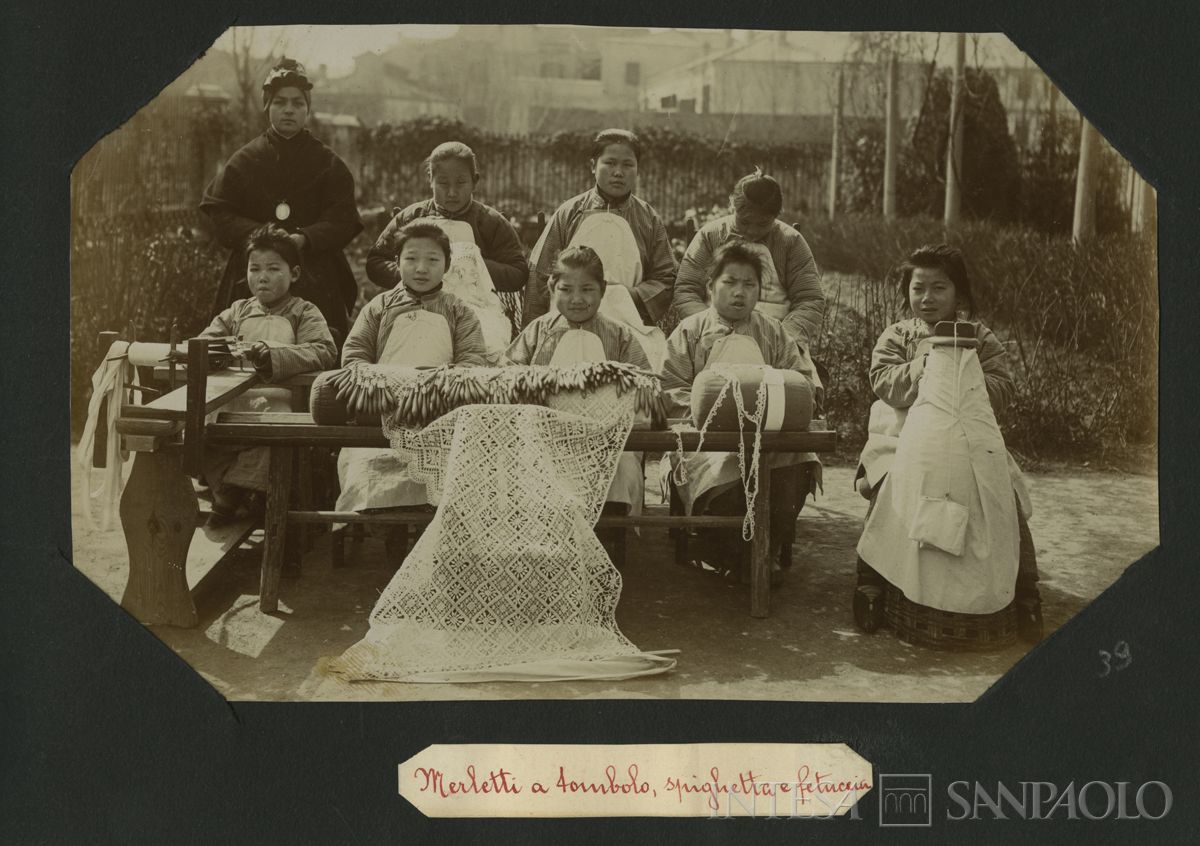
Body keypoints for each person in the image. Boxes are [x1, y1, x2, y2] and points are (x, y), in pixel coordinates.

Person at [853, 244, 1042, 643]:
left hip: (968, 437)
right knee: (887, 489)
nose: (927, 298)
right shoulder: (899, 337)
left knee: (1001, 495)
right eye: (918, 288)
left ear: (960, 294)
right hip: (903, 435)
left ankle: (1025, 591)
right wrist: (927, 364)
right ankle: (870, 581)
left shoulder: (979, 338)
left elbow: (1003, 387)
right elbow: (882, 380)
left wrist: (961, 373)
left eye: (939, 288)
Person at [661, 241, 818, 583]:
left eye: (749, 285)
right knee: (723, 470)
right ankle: (731, 551)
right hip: (707, 441)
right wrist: (711, 411)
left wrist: (777, 409)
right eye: (730, 282)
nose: (739, 293)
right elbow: (669, 389)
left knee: (799, 460)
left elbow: (800, 381)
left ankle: (766, 549)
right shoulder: (689, 332)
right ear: (710, 287)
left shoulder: (773, 332)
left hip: (768, 437)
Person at [200, 58, 363, 340]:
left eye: (298, 103)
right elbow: (221, 215)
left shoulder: (328, 163)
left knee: (317, 349)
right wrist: (265, 237)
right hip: (256, 272)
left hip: (313, 272)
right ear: (267, 107)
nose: (289, 110)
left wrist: (304, 238)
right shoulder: (245, 160)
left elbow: (343, 219)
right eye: (279, 102)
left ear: (307, 109)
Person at [335, 223, 487, 516]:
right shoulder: (379, 307)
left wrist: (437, 388)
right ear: (397, 263)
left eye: (432, 260)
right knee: (369, 468)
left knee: (442, 476)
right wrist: (380, 388)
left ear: (446, 265)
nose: (421, 268)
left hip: (437, 412)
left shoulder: (460, 311)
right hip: (382, 411)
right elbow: (354, 356)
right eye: (411, 259)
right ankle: (387, 534)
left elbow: (473, 363)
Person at [200, 224, 337, 523]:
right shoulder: (237, 312)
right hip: (232, 399)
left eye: (273, 269)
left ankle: (231, 496)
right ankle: (238, 489)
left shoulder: (304, 312)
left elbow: (324, 350)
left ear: (294, 274)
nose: (262, 277)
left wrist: (275, 355)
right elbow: (206, 342)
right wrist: (221, 351)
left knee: (272, 439)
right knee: (200, 429)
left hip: (280, 401)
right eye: (254, 269)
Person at [505, 245, 650, 515]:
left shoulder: (620, 336)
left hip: (607, 441)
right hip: (544, 438)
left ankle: (606, 536)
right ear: (552, 288)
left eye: (587, 289)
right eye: (566, 289)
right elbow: (507, 378)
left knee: (618, 470)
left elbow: (646, 389)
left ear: (603, 290)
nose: (577, 299)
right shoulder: (538, 331)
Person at [523, 129, 677, 331]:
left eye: (628, 165)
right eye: (610, 163)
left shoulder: (648, 218)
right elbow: (540, 274)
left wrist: (626, 296)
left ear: (638, 170)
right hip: (566, 322)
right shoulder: (569, 213)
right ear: (593, 166)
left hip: (628, 325)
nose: (618, 172)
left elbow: (666, 277)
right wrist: (535, 331)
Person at [672, 169, 825, 362]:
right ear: (731, 205)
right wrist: (704, 326)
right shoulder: (710, 236)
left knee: (794, 386)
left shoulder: (791, 242)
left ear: (777, 215)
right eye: (744, 222)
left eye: (763, 224)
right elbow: (686, 288)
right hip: (714, 334)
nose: (752, 231)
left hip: (778, 337)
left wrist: (785, 337)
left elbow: (810, 298)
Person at [366, 141, 528, 294]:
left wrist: (472, 265)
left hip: (475, 310)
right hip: (415, 306)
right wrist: (414, 271)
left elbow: (518, 273)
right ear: (430, 180)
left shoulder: (490, 222)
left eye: (460, 183)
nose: (452, 192)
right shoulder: (411, 218)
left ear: (474, 182)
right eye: (443, 183)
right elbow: (375, 262)